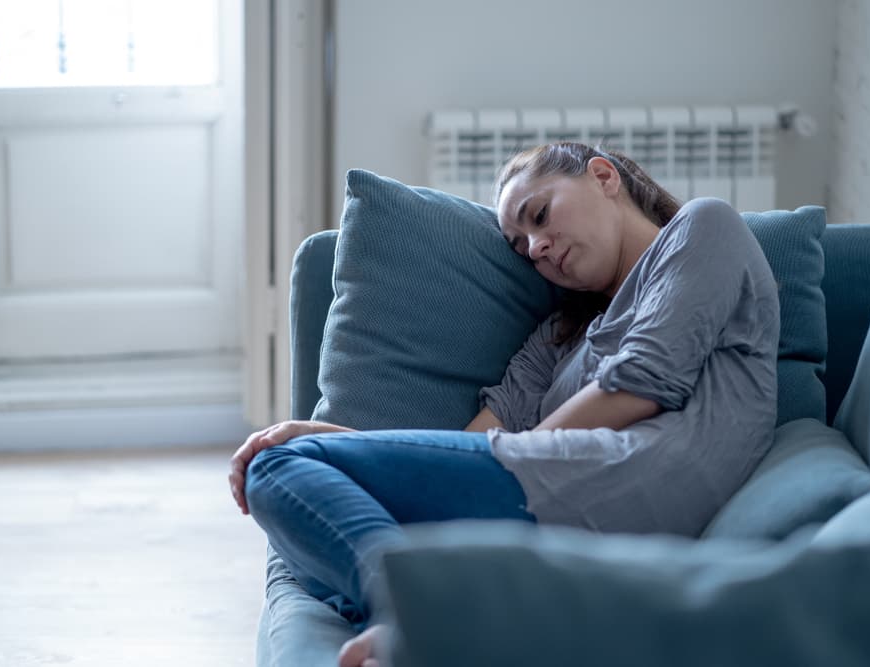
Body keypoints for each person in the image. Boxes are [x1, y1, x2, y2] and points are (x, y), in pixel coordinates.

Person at [228, 142, 780, 667]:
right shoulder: (559, 339)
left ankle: (427, 616)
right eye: (521, 247)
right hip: (544, 497)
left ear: (604, 176)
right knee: (277, 477)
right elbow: (472, 445)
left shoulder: (703, 227)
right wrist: (328, 437)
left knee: (282, 470)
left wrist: (518, 448)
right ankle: (438, 613)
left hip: (635, 481)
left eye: (539, 216)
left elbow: (644, 382)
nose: (536, 248)